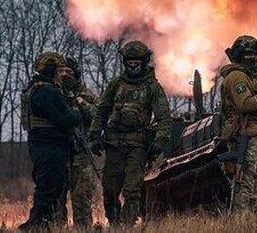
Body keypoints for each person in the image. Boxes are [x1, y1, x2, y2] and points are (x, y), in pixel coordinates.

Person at [88, 40, 171, 226]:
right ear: (125, 61)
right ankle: (116, 224)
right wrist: (94, 136)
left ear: (144, 61)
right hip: (113, 144)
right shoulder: (116, 84)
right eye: (130, 62)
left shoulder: (152, 87)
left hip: (138, 146)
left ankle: (126, 226)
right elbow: (101, 110)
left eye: (137, 62)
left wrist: (160, 140)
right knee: (109, 191)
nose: (133, 66)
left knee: (133, 191)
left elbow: (164, 117)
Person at [19, 52, 82, 230]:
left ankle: (42, 224)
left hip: (44, 145)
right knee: (48, 189)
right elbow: (67, 118)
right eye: (60, 70)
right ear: (50, 69)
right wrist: (77, 112)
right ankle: (36, 225)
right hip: (50, 146)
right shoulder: (46, 91)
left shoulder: (37, 87)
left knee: (50, 188)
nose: (63, 74)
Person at [219, 35, 257, 213]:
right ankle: (241, 219)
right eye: (248, 54)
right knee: (244, 179)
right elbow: (245, 104)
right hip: (244, 132)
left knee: (250, 178)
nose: (253, 57)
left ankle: (246, 219)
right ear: (239, 56)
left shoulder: (247, 77)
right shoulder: (237, 77)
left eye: (255, 53)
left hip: (252, 131)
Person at [56, 56, 99, 228]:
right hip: (59, 152)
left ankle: (84, 229)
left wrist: (80, 102)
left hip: (81, 154)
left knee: (82, 196)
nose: (65, 75)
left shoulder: (86, 94)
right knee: (57, 197)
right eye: (62, 71)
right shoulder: (53, 94)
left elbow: (98, 116)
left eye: (69, 72)